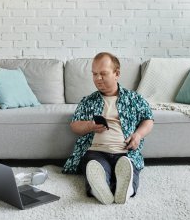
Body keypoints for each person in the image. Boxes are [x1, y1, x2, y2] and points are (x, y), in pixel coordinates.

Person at [63, 52, 154, 205]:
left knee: (128, 167)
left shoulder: (133, 98)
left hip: (125, 151)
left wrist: (138, 135)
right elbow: (74, 124)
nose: (98, 78)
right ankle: (98, 189)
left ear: (116, 74)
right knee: (95, 168)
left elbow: (148, 119)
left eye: (103, 74)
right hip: (96, 151)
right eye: (94, 74)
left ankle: (127, 189)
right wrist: (89, 126)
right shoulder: (87, 101)